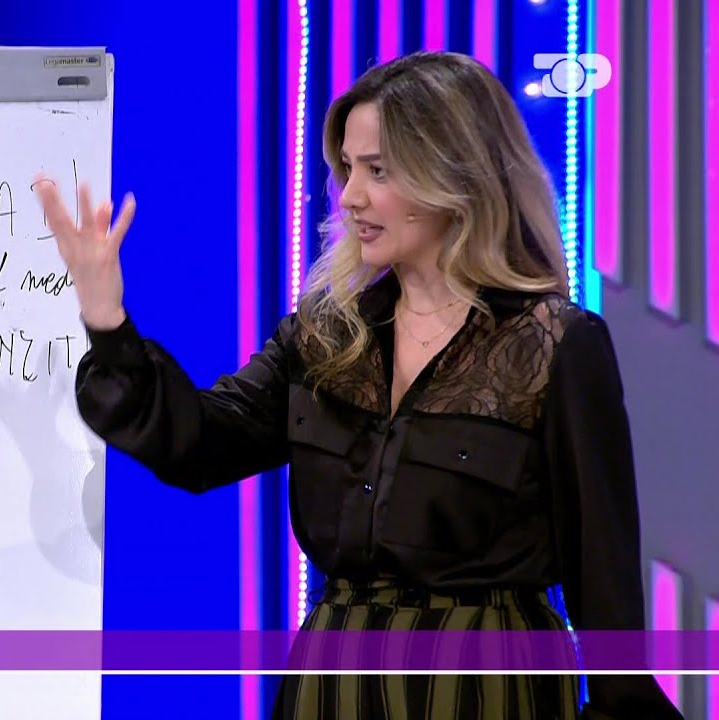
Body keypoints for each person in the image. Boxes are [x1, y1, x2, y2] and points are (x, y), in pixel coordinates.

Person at [34, 51, 682, 719]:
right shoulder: (325, 336)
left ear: (453, 175)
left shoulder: (554, 345)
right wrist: (107, 319)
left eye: (378, 171)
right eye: (347, 168)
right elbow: (196, 443)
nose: (349, 196)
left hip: (482, 689)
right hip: (333, 688)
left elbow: (602, 575)